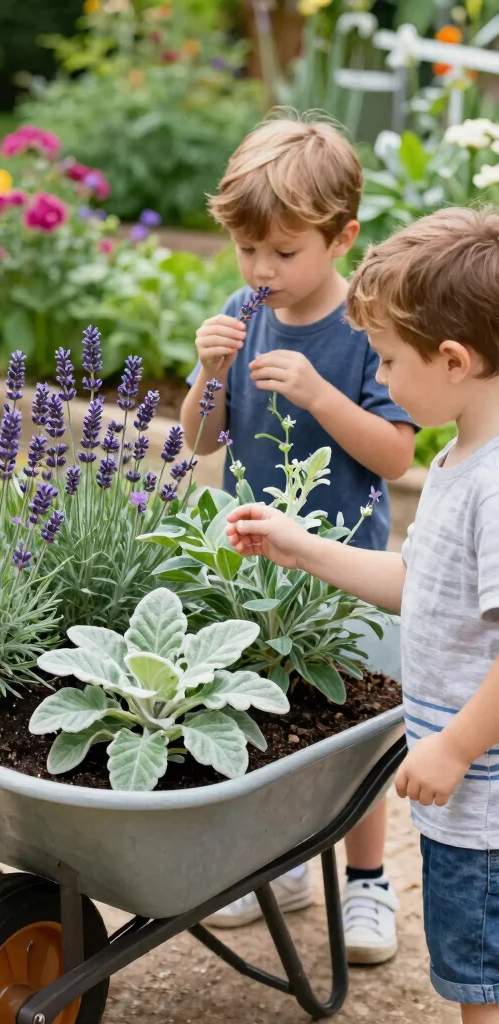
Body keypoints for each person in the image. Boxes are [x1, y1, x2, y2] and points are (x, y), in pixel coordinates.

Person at [226, 206, 499, 1023]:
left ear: (453, 361)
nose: (377, 371)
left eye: (385, 358)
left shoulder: (492, 485)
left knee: (478, 983)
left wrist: (452, 748)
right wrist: (298, 545)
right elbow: (420, 583)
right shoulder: (463, 458)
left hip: (483, 805)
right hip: (470, 798)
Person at [181, 116, 416, 961]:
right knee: (271, 712)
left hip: (344, 564)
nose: (261, 271)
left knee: (352, 728)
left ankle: (365, 882)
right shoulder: (241, 314)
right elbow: (201, 442)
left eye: (283, 252)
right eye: (247, 251)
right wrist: (209, 373)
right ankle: (282, 861)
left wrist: (321, 395)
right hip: (252, 563)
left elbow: (397, 452)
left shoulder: (365, 328)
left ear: (343, 236)